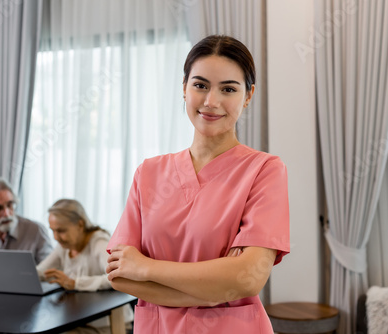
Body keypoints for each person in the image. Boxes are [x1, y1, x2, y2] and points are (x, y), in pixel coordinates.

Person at [105, 35, 290, 333]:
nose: (211, 102)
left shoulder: (264, 170)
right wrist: (216, 289)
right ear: (184, 87)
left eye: (228, 89)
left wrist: (146, 267)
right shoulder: (149, 173)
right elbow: (119, 275)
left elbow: (248, 278)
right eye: (200, 85)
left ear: (248, 95)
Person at [37, 199, 133, 334]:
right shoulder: (64, 246)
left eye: (61, 231)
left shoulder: (99, 242)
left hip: (108, 324)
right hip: (77, 321)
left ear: (80, 224)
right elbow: (40, 272)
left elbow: (117, 277)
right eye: (52, 231)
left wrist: (74, 283)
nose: (56, 237)